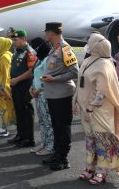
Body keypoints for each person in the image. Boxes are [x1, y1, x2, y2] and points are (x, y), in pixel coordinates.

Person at [73, 33, 119, 185]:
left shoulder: (105, 64)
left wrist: (91, 108)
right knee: (90, 139)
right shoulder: (87, 60)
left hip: (99, 111)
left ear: (97, 46)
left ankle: (102, 171)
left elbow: (102, 92)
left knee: (102, 141)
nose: (88, 45)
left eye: (90, 42)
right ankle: (90, 167)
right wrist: (75, 100)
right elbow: (80, 82)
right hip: (85, 108)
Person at [41, 22, 79, 170]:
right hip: (53, 94)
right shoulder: (55, 49)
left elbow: (74, 72)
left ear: (51, 33)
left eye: (46, 32)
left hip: (61, 95)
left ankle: (63, 158)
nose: (45, 35)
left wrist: (54, 79)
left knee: (62, 127)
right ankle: (57, 154)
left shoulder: (65, 49)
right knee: (56, 126)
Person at [7, 30, 38, 147]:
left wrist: (16, 79)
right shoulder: (17, 51)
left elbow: (31, 72)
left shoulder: (29, 52)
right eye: (13, 40)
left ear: (23, 39)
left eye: (15, 40)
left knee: (26, 112)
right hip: (16, 86)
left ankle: (29, 138)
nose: (13, 42)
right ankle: (20, 135)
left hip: (25, 85)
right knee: (18, 111)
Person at [29, 37, 54, 156]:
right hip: (37, 94)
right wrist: (32, 88)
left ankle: (50, 146)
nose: (33, 50)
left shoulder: (48, 59)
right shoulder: (39, 60)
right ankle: (44, 143)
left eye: (34, 47)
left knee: (48, 121)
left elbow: (48, 79)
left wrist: (38, 90)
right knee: (42, 121)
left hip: (44, 94)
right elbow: (35, 75)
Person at [0, 37, 16, 137]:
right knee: (5, 107)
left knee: (3, 107)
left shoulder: (4, 57)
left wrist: (2, 88)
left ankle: (4, 129)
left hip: (1, 87)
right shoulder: (3, 55)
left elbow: (6, 74)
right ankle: (8, 126)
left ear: (3, 45)